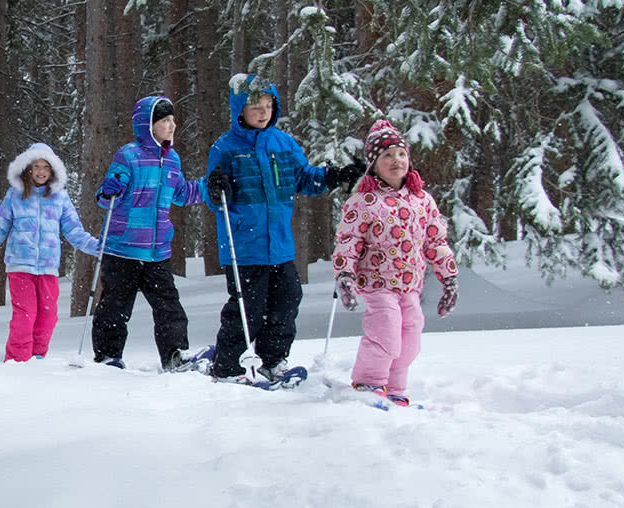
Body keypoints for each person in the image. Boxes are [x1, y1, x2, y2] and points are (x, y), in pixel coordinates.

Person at [203, 75, 366, 383]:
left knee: (288, 299)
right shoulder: (225, 148)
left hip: (279, 244)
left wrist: (335, 176)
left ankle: (272, 359)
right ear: (240, 109)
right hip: (245, 246)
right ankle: (227, 366)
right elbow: (214, 198)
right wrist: (215, 188)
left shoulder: (284, 143)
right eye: (256, 107)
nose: (263, 112)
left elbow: (304, 178)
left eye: (268, 105)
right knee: (246, 308)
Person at [330, 120, 458, 408]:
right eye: (387, 155)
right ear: (374, 164)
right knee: (386, 329)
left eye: (401, 154)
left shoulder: (422, 200)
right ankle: (369, 382)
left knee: (411, 334)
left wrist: (448, 279)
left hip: (410, 284)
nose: (396, 160)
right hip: (376, 283)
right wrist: (345, 276)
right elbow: (348, 242)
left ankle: (395, 388)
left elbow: (436, 242)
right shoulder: (363, 201)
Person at [88, 96, 207, 371]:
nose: (172, 125)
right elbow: (106, 199)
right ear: (148, 124)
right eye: (164, 120)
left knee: (169, 306)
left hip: (157, 251)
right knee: (115, 307)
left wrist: (205, 186)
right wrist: (109, 189)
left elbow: (180, 194)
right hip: (123, 249)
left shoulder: (172, 159)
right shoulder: (128, 155)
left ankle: (174, 354)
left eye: (173, 120)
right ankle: (108, 356)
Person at [0, 144, 102, 363]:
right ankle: (18, 360)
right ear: (28, 169)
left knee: (48, 318)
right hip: (20, 267)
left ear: (52, 171)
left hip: (48, 268)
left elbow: (74, 231)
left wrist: (98, 246)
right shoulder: (15, 196)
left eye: (46, 167)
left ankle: (38, 357)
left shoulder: (60, 198)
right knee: (25, 315)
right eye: (36, 166)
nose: (41, 171)